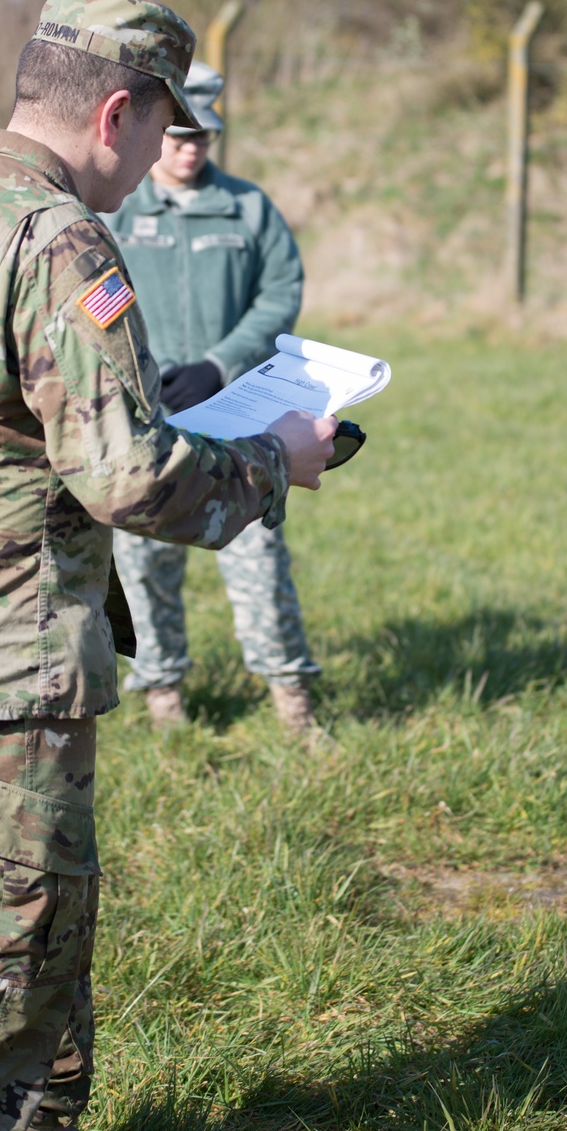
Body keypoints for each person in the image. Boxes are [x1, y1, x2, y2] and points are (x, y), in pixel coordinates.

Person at [0, 0, 336, 1131]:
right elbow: (133, 481)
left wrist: (161, 399)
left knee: (19, 932)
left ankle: (33, 1127)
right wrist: (275, 459)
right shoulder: (60, 237)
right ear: (117, 116)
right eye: (162, 128)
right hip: (6, 674)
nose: (162, 154)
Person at [103, 61, 320, 733]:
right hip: (152, 416)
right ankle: (162, 694)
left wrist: (224, 363)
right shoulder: (118, 212)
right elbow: (94, 300)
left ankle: (293, 701)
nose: (191, 149)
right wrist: (138, 370)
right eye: (178, 135)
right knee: (145, 557)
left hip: (236, 417)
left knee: (258, 553)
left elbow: (280, 292)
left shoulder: (249, 208)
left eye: (203, 138)